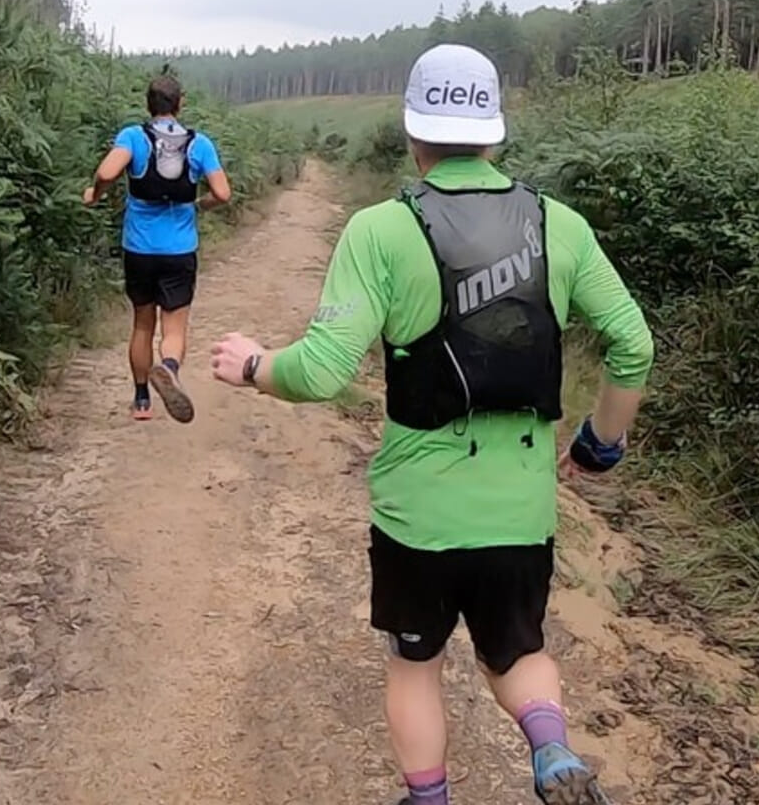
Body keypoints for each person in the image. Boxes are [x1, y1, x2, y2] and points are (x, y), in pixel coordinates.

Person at [209, 43, 650, 805]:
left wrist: (253, 364)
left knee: (415, 664)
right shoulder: (561, 225)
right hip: (521, 508)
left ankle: (429, 798)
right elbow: (634, 345)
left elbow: (321, 371)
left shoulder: (380, 230)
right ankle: (550, 747)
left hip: (419, 514)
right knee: (517, 654)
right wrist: (598, 446)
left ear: (413, 132)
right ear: (494, 133)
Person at [84, 73, 230, 423]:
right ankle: (169, 368)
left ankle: (141, 401)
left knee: (142, 324)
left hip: (139, 249)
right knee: (174, 327)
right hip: (180, 250)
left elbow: (106, 172)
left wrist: (95, 194)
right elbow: (223, 193)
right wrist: (201, 205)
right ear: (180, 103)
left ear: (148, 105)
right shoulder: (200, 144)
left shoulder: (133, 137)